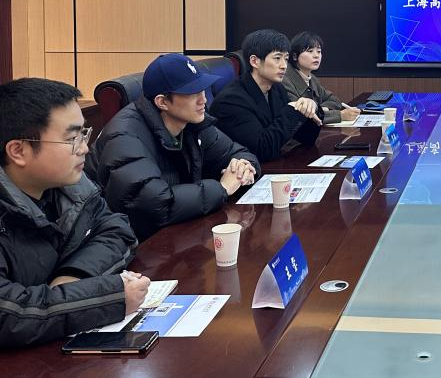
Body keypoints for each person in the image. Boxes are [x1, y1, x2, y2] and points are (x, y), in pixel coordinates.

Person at [0, 78, 149, 347]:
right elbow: (9, 314)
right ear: (18, 151)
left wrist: (75, 276)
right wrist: (108, 298)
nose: (84, 148)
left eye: (83, 134)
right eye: (71, 139)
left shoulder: (70, 187)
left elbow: (116, 230)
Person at [91, 53, 261, 241]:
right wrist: (222, 189)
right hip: (129, 242)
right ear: (162, 102)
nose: (203, 100)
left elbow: (237, 153)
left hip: (178, 232)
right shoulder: (125, 137)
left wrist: (244, 168)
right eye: (193, 93)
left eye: (203, 90)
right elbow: (155, 204)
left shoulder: (193, 122)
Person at [211, 29, 323, 162]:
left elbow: (305, 137)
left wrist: (311, 108)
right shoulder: (231, 101)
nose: (284, 66)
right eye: (277, 58)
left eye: (286, 59)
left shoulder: (276, 89)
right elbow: (262, 150)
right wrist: (292, 111)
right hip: (247, 170)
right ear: (255, 61)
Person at [282, 31, 361, 125]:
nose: (316, 55)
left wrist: (320, 109)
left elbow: (335, 100)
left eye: (319, 51)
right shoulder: (285, 79)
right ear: (295, 56)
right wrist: (340, 115)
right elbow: (301, 115)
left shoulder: (312, 79)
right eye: (310, 51)